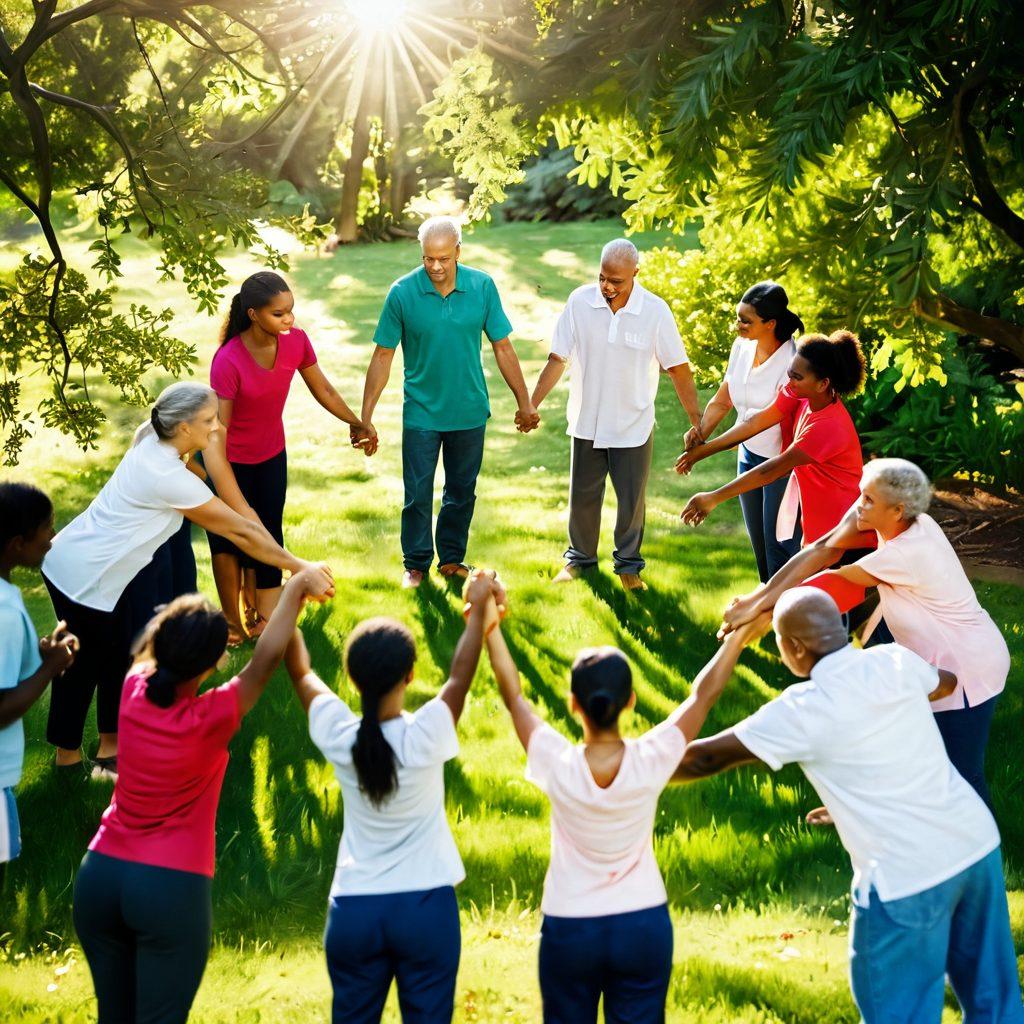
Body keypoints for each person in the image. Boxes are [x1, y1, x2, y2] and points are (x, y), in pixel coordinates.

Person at [675, 588, 1024, 1024]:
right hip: (973, 845)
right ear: (841, 628)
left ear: (794, 648)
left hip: (905, 878)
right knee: (997, 1004)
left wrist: (734, 644)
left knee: (899, 1015)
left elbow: (698, 758)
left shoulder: (802, 710)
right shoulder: (893, 661)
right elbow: (945, 684)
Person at [480, 580, 771, 1023]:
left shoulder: (554, 761)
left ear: (574, 705)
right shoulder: (652, 758)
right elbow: (702, 696)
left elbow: (513, 695)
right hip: (641, 925)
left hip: (570, 926)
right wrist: (735, 641)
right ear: (630, 702)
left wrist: (490, 629)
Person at [72, 564, 334, 1024]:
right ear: (214, 662)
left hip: (100, 880)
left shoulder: (133, 689)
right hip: (168, 889)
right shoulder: (211, 717)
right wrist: (293, 587)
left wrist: (172, 626)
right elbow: (267, 659)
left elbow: (149, 646)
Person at [41, 381, 323, 774]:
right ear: (184, 426)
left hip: (96, 567)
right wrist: (300, 566)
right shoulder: (166, 476)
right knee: (85, 661)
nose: (217, 427)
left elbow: (201, 479)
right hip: (80, 574)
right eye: (208, 420)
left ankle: (108, 751)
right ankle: (67, 758)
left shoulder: (153, 439)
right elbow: (240, 531)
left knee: (120, 653)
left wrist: (194, 456)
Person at [718, 458, 1010, 808]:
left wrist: (765, 617)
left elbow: (833, 585)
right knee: (914, 749)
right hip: (942, 660)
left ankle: (982, 851)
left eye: (869, 500)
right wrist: (757, 600)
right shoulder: (903, 523)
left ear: (898, 509)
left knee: (961, 773)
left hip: (968, 666)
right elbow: (823, 548)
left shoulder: (908, 553)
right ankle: (887, 812)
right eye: (861, 494)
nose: (859, 504)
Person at [284, 570, 504, 1023]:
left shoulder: (339, 733)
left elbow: (301, 670)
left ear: (351, 677)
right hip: (425, 910)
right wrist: (478, 605)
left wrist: (294, 600)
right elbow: (461, 673)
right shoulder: (426, 733)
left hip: (355, 911)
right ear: (410, 674)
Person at [359, 216, 539, 589]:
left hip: (470, 410)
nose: (436, 267)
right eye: (428, 259)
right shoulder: (402, 293)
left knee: (461, 492)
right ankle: (416, 563)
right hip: (422, 412)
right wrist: (366, 418)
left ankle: (452, 559)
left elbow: (503, 347)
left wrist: (525, 402)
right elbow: (382, 356)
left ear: (458, 251)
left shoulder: (482, 286)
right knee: (418, 493)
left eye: (443, 258)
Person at [530, 239, 702, 592]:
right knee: (583, 498)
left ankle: (628, 566)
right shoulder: (580, 302)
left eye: (617, 281)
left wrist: (696, 419)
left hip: (632, 424)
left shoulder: (655, 311)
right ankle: (579, 559)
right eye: (602, 277)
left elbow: (679, 369)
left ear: (635, 274)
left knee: (631, 502)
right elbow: (557, 358)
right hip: (587, 419)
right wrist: (531, 404)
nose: (607, 286)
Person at [206, 271, 368, 643]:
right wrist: (213, 474)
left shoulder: (296, 342)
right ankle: (232, 623)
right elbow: (220, 430)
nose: (289, 319)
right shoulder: (228, 360)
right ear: (253, 314)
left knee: (268, 531)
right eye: (279, 314)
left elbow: (322, 388)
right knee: (228, 540)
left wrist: (357, 422)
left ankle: (262, 616)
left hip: (270, 456)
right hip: (229, 463)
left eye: (290, 310)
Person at [676, 330, 867, 548]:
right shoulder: (800, 394)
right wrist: (702, 451)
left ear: (822, 384)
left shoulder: (828, 426)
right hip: (821, 533)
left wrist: (713, 497)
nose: (790, 381)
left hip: (843, 534)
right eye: (790, 373)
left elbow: (772, 470)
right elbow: (754, 423)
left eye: (797, 377)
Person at [683, 282, 803, 581]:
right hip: (748, 456)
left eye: (745, 320)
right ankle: (764, 608)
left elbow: (757, 423)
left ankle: (791, 615)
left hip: (780, 464)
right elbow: (723, 399)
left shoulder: (792, 363)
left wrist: (705, 451)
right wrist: (700, 432)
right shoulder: (742, 347)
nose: (738, 325)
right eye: (738, 317)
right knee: (759, 545)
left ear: (770, 324)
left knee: (780, 546)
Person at [0, 483, 79, 872]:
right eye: (46, 528)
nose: (52, 537)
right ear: (17, 543)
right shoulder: (4, 612)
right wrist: (51, 668)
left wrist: (41, 656)